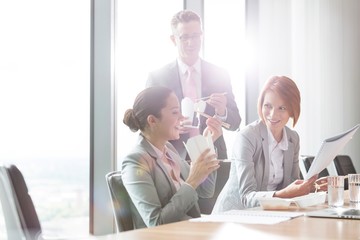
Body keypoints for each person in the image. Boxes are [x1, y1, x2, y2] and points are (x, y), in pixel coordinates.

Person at [212, 76, 327, 213]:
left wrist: (312, 187)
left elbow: (292, 187)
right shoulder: (247, 136)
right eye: (268, 106)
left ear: (292, 110)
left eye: (282, 108)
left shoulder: (293, 139)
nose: (273, 115)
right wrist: (282, 194)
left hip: (270, 215)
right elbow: (247, 197)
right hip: (235, 216)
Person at [146, 10, 241, 160]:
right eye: (184, 37)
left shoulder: (220, 74)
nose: (191, 43)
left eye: (196, 36)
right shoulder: (157, 78)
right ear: (173, 39)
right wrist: (171, 125)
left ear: (201, 35)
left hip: (212, 155)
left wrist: (222, 111)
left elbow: (236, 123)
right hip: (170, 158)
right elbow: (147, 125)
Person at [122, 86, 221, 229]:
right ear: (152, 120)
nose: (182, 117)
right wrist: (192, 180)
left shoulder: (169, 149)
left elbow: (206, 191)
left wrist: (208, 144)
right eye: (175, 112)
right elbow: (156, 223)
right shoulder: (135, 162)